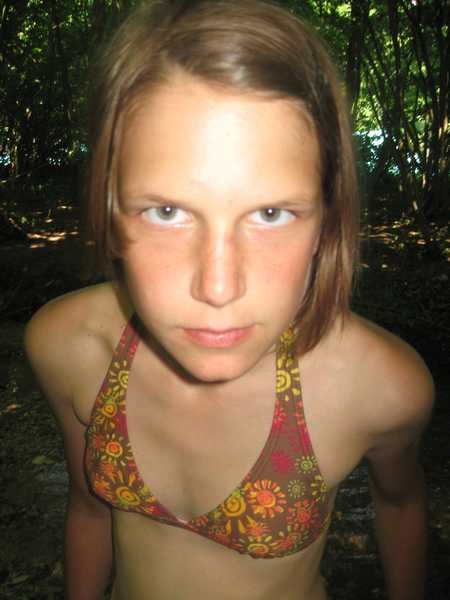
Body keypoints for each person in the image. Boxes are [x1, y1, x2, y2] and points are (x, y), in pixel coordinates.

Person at [24, 1, 434, 599]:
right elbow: (89, 509)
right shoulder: (69, 347)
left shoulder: (382, 386)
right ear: (109, 211)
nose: (218, 289)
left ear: (326, 220)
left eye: (270, 213)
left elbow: (401, 504)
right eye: (167, 211)